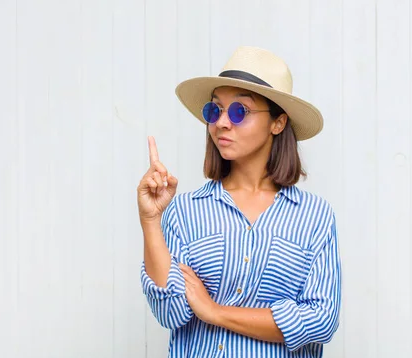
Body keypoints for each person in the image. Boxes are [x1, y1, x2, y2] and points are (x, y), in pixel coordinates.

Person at [137, 46, 341, 358]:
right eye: (214, 111)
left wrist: (215, 312)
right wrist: (151, 221)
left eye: (239, 112)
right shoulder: (185, 212)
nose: (221, 123)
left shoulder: (315, 217)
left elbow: (321, 320)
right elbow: (171, 312)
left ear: (278, 123)